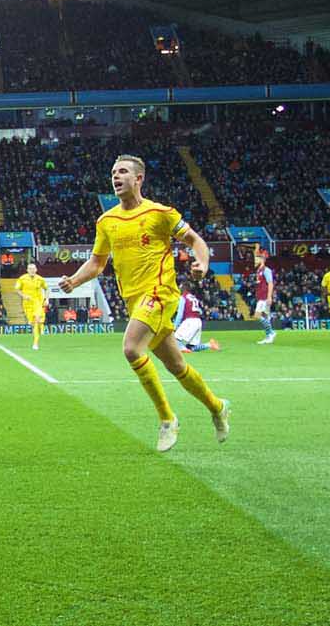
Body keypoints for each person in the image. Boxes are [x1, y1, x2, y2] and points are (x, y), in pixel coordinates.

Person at [57, 154, 230, 453]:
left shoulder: (161, 213)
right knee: (177, 366)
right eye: (113, 172)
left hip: (160, 293)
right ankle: (217, 407)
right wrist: (74, 280)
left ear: (139, 179)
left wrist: (202, 263)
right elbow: (97, 263)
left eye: (122, 171)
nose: (116, 176)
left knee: (130, 348)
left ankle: (167, 419)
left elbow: (195, 240)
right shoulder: (106, 221)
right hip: (134, 301)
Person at [172, 282, 220, 354]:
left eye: (180, 288)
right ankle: (209, 345)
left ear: (184, 289)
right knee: (192, 347)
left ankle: (183, 350)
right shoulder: (193, 297)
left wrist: (174, 326)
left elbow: (180, 314)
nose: (179, 289)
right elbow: (199, 311)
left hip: (190, 320)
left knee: (175, 339)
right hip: (198, 321)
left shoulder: (183, 297)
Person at [13, 261, 49, 350]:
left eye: (33, 269)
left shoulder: (40, 279)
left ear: (36, 270)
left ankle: (35, 343)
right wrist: (24, 296)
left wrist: (47, 299)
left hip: (37, 302)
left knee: (37, 320)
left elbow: (47, 289)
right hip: (27, 304)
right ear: (27, 270)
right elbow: (17, 289)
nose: (32, 270)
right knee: (34, 324)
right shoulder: (22, 279)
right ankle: (40, 327)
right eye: (30, 269)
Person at [250, 247, 278, 344]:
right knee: (265, 317)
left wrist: (269, 297)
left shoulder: (266, 270)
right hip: (260, 296)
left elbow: (270, 283)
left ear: (262, 259)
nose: (256, 260)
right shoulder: (259, 270)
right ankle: (268, 337)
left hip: (264, 297)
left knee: (257, 315)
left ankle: (271, 332)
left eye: (258, 258)